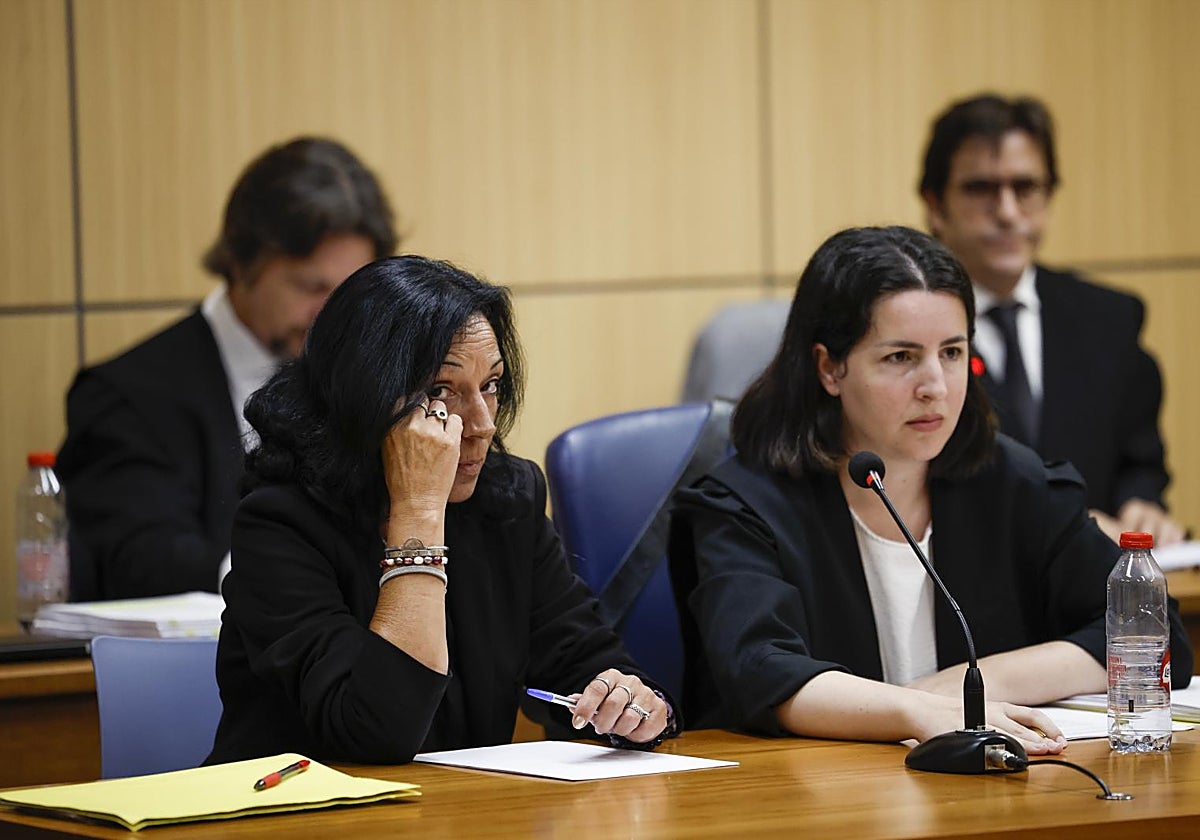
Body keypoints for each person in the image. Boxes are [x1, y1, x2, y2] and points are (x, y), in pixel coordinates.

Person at [669, 226, 1192, 754]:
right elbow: (760, 671)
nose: (936, 387)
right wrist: (913, 709)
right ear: (830, 367)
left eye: (952, 352)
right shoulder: (745, 506)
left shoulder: (1011, 480)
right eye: (901, 357)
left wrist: (968, 685)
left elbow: (1150, 634)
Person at [206, 256, 676, 764]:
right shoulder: (281, 523)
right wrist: (418, 510)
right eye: (440, 392)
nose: (481, 424)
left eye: (491, 386)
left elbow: (587, 662)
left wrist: (630, 705)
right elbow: (375, 730)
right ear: (364, 397)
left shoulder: (506, 502)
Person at [57, 137, 398, 600]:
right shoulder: (126, 396)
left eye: (350, 289)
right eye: (310, 286)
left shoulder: (377, 376)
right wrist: (288, 574)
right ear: (241, 263)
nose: (333, 314)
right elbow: (142, 561)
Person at [918, 93, 1183, 546]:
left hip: (1096, 590)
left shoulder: (1110, 318)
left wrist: (1143, 505)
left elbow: (1138, 463)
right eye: (981, 189)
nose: (1007, 212)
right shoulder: (908, 330)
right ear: (935, 206)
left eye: (1025, 188)